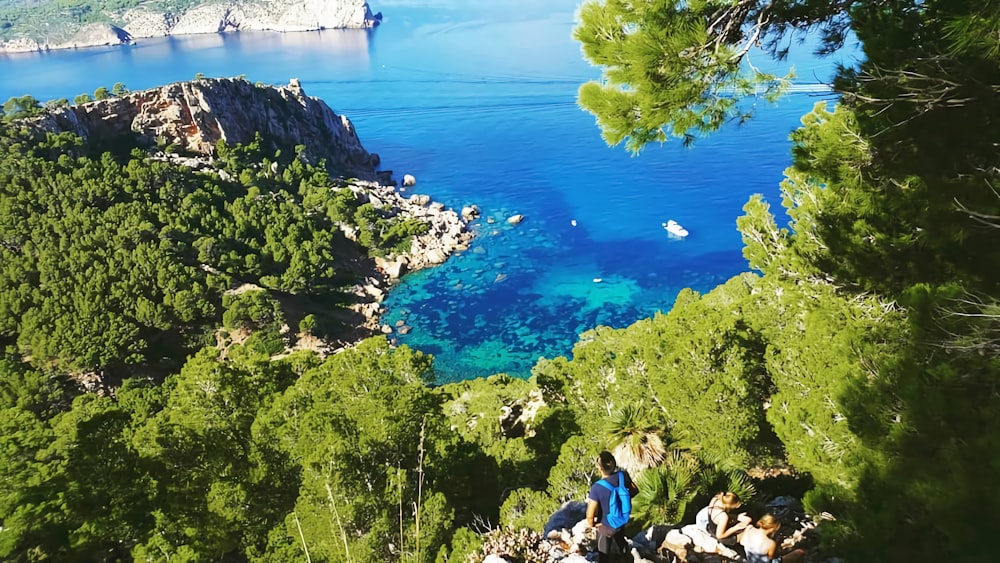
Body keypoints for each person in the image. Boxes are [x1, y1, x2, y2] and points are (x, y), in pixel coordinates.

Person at [586, 451, 639, 563]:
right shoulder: (623, 476)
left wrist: (594, 525)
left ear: (600, 468)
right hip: (621, 519)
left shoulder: (597, 488)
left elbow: (589, 515)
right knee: (621, 542)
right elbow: (635, 490)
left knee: (603, 554)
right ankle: (627, 558)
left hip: (606, 525)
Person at [738, 513, 806, 563]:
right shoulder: (770, 543)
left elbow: (742, 542)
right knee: (800, 552)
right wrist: (777, 543)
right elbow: (771, 558)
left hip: (750, 560)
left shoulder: (749, 528)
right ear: (771, 529)